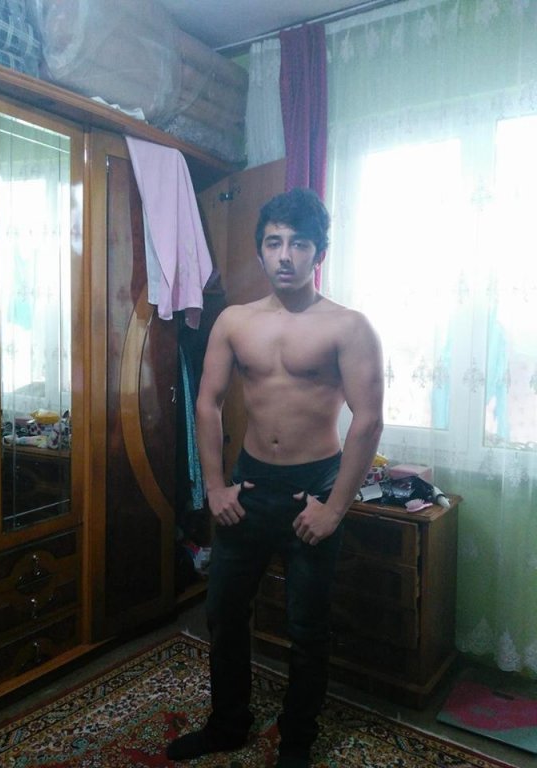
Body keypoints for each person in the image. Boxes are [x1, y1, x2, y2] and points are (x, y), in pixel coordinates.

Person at [166, 188, 384, 768]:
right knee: (223, 613)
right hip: (250, 486)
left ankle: (297, 739)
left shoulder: (348, 327)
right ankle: (228, 723)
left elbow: (368, 419)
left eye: (299, 243)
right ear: (260, 250)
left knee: (307, 627)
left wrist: (334, 508)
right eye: (273, 242)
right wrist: (215, 487)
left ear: (319, 253)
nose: (285, 255)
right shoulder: (235, 322)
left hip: (314, 489)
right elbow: (208, 403)